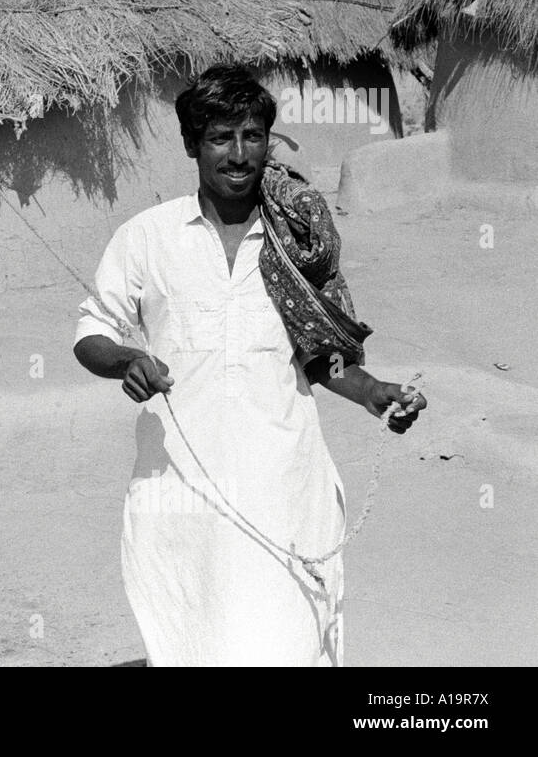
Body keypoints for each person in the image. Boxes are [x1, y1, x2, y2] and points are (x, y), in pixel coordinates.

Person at [72, 64, 426, 666]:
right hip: (181, 484)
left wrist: (375, 393)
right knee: (192, 628)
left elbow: (320, 358)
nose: (239, 155)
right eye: (221, 138)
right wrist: (127, 359)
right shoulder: (147, 237)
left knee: (286, 635)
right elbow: (91, 331)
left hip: (283, 479)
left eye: (253, 136)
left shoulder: (297, 241)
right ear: (191, 145)